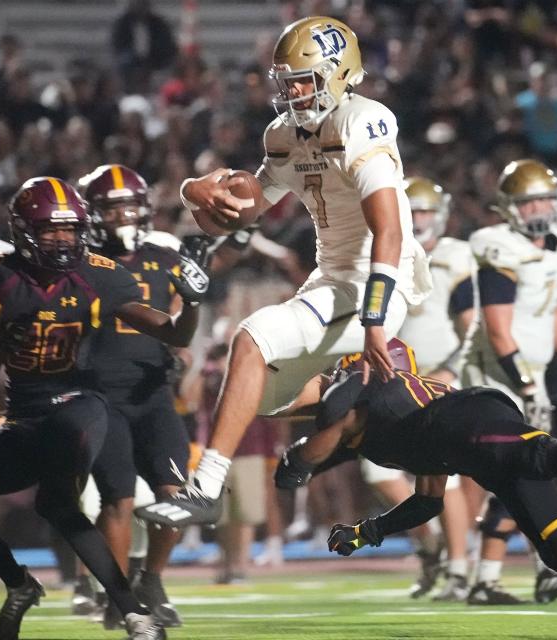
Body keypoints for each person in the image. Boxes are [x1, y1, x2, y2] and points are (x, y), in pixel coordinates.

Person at [138, 16, 430, 526]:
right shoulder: (284, 134)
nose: (293, 90)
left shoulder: (362, 120)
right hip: (332, 278)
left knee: (251, 339)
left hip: (377, 279)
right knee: (264, 395)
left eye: (303, 78)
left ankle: (205, 485)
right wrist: (194, 190)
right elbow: (243, 209)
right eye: (286, 81)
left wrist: (376, 320)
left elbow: (389, 230)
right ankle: (350, 395)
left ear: (339, 74)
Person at [271, 339, 557, 640]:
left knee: (542, 453)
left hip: (465, 422)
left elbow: (329, 423)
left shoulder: (364, 387)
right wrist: (368, 532)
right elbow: (427, 501)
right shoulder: (403, 413)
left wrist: (300, 461)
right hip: (466, 436)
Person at [0, 176, 209, 640]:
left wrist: (193, 303)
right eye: (51, 230)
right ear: (25, 232)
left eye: (71, 229)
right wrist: (2, 346)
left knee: (71, 449)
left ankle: (135, 611)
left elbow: (173, 334)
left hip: (81, 401)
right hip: (24, 415)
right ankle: (21, 584)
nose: (64, 240)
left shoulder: (99, 272)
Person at [460, 159, 557, 604]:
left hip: (532, 374)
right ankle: (532, 571)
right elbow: (499, 329)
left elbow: (554, 310)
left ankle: (497, 577)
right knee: (523, 471)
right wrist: (526, 387)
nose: (540, 208)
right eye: (529, 201)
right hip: (494, 376)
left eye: (545, 198)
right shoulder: (497, 247)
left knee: (523, 472)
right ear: (508, 208)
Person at [79, 164, 191, 628]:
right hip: (101, 395)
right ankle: (118, 592)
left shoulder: (165, 255)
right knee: (118, 498)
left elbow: (183, 313)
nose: (123, 215)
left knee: (178, 496)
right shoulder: (79, 261)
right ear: (92, 214)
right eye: (111, 207)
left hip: (152, 392)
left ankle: (152, 578)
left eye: (129, 205)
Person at [367, 176, 476, 600]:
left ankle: (460, 569)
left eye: (428, 211)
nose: (422, 219)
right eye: (415, 211)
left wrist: (451, 370)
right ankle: (431, 547)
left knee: (443, 479)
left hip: (440, 377)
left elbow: (473, 326)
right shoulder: (386, 251)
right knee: (376, 471)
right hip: (395, 377)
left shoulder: (456, 256)